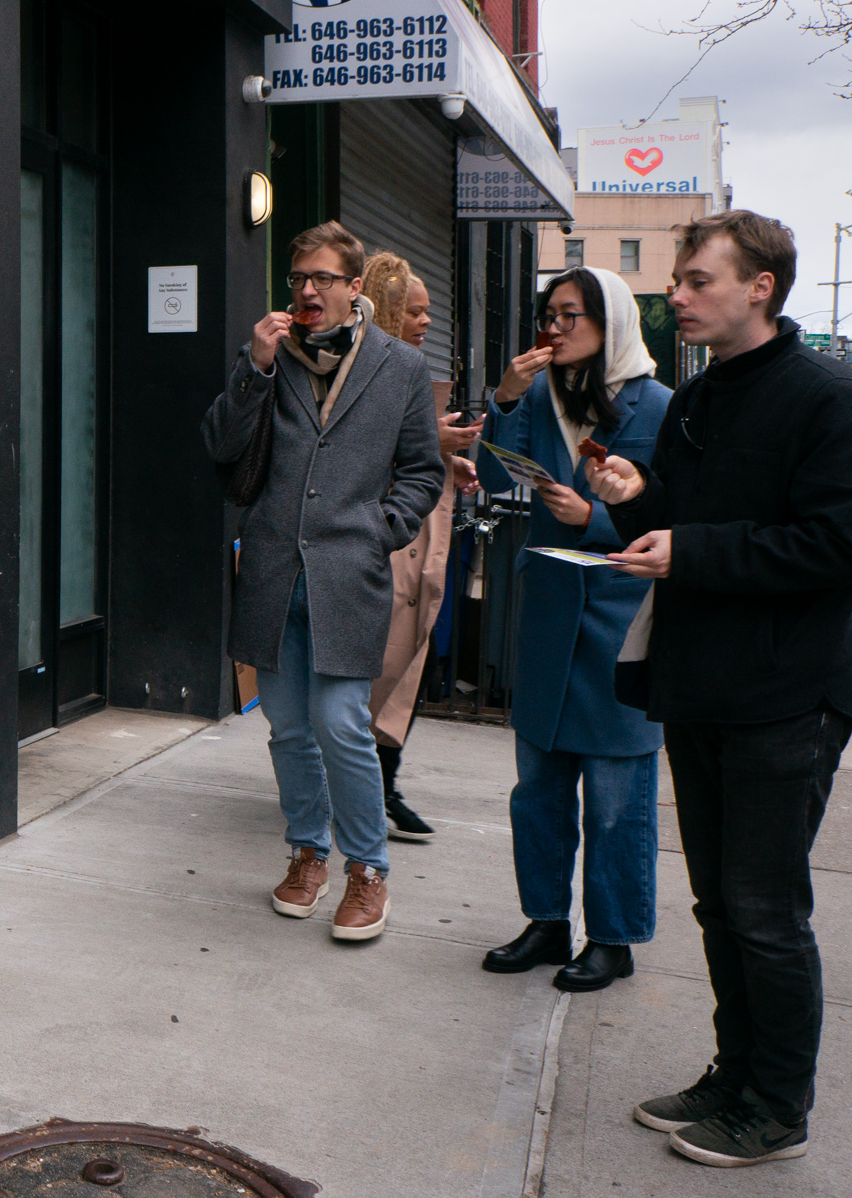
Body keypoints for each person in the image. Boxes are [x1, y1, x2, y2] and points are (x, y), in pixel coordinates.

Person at [586, 211, 852, 1167]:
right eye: (678, 279)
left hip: (787, 695)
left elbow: (833, 543)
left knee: (766, 909)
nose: (678, 295)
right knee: (718, 903)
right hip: (702, 684)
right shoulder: (702, 396)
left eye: (698, 280)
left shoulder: (827, 398)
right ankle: (735, 1074)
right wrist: (638, 498)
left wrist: (688, 544)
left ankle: (777, 1106)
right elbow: (687, 519)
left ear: (761, 289)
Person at [201, 222, 443, 941]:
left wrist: (381, 528)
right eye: (298, 277)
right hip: (274, 571)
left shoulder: (399, 367)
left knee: (341, 723)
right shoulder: (271, 359)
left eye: (323, 278)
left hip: (349, 574)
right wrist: (254, 363)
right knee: (288, 728)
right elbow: (220, 443)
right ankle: (308, 852)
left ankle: (367, 869)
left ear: (355, 287)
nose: (306, 290)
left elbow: (423, 470)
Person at [476, 267, 670, 993]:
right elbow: (495, 482)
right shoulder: (542, 397)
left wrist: (594, 519)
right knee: (538, 790)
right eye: (547, 315)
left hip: (621, 619)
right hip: (550, 614)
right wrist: (502, 398)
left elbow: (675, 512)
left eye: (570, 315)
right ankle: (546, 920)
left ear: (611, 322)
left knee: (619, 799)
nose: (553, 329)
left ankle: (614, 936)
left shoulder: (658, 404)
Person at [361, 256, 481, 841]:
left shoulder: (409, 369)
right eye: (414, 310)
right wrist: (432, 440)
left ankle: (382, 785)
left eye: (430, 310)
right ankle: (363, 790)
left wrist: (448, 459)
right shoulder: (359, 364)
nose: (427, 320)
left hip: (418, 533)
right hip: (376, 541)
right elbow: (354, 448)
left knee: (409, 663)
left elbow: (410, 452)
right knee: (376, 666)